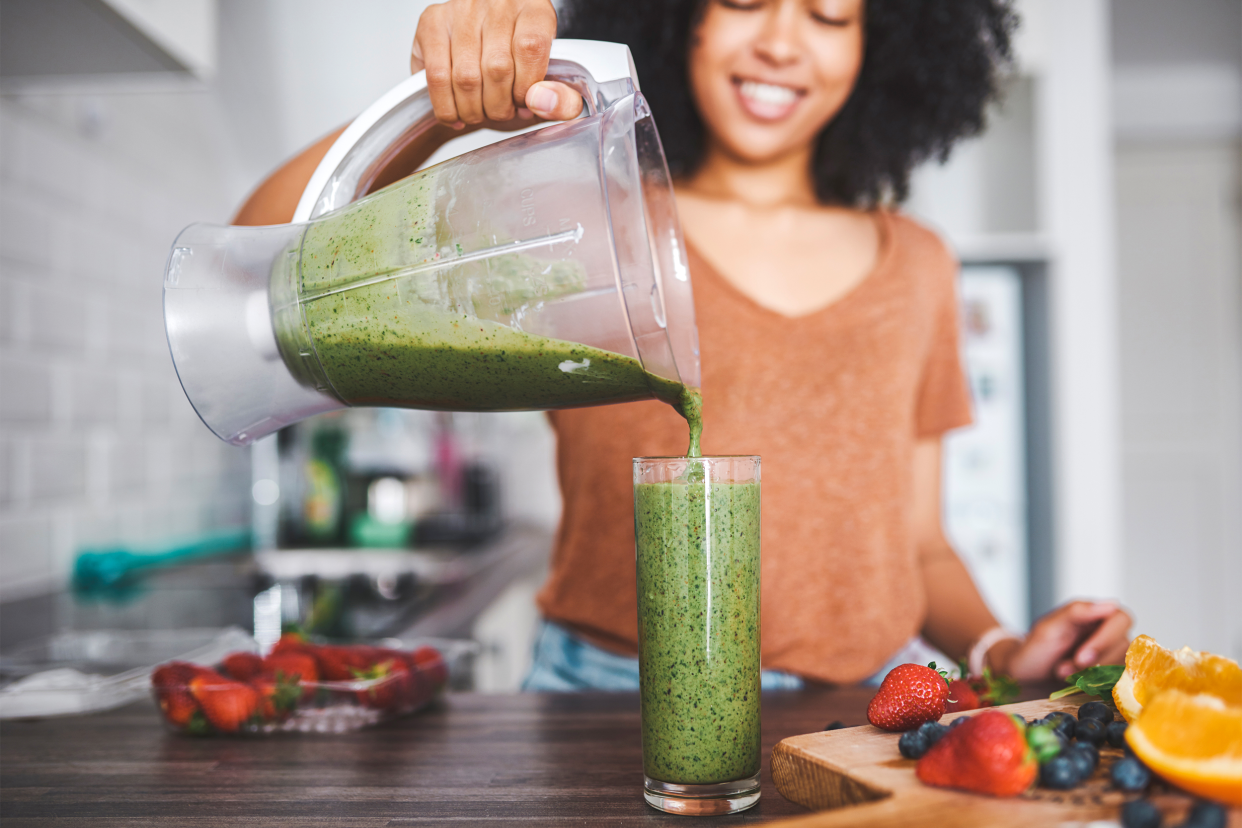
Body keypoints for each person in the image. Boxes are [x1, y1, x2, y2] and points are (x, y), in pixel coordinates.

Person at [240, 0, 1133, 690]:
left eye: (828, 15)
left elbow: (919, 544)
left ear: (882, 45)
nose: (783, 43)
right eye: (744, 1)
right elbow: (261, 264)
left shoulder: (918, 266)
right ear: (680, 18)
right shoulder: (582, 213)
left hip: (869, 709)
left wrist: (1003, 650)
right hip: (601, 698)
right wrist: (441, 109)